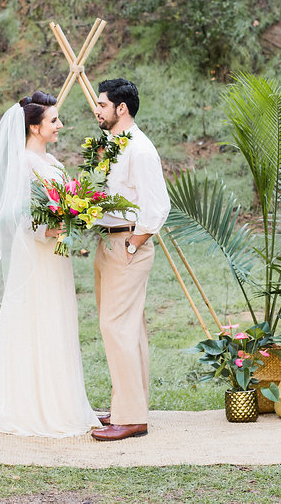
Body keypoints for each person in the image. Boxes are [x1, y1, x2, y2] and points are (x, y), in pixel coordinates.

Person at [0, 90, 101, 438]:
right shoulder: (24, 164)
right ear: (35, 127)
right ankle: (29, 405)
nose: (60, 125)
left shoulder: (51, 162)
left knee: (58, 322)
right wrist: (58, 227)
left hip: (56, 258)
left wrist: (75, 218)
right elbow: (23, 219)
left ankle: (61, 400)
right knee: (36, 322)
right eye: (54, 121)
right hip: (37, 258)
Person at [89, 78, 170, 441]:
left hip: (127, 245)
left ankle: (132, 417)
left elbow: (157, 208)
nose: (97, 110)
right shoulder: (114, 146)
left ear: (121, 109)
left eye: (102, 104)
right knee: (127, 329)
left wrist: (133, 246)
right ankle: (126, 405)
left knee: (116, 328)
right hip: (109, 242)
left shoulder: (141, 150)